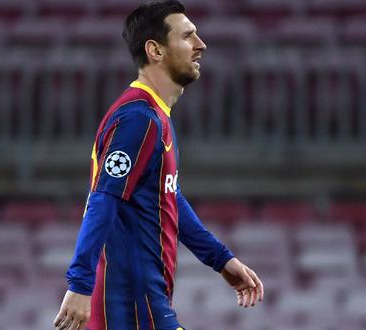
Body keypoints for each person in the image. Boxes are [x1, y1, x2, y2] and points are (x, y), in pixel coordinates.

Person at [53, 1, 264, 330]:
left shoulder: (154, 116)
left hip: (143, 299)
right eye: (187, 36)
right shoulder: (139, 119)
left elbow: (169, 198)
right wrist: (80, 284)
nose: (201, 44)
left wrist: (220, 258)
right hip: (130, 303)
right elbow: (104, 198)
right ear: (155, 50)